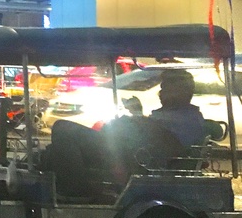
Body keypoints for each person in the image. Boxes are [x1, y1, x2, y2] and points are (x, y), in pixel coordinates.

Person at [42, 69, 206, 196]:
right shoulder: (173, 114)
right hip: (121, 147)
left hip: (129, 157)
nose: (161, 94)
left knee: (62, 128)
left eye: (166, 89)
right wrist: (136, 117)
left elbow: (167, 144)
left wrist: (139, 122)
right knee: (51, 153)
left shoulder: (188, 118)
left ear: (183, 92)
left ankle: (76, 189)